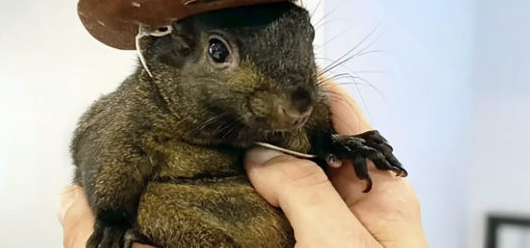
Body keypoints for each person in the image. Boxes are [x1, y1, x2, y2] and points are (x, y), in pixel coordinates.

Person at [57, 81, 429, 248]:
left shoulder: (308, 99)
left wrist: (331, 144)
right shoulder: (143, 110)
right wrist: (113, 219)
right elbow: (97, 149)